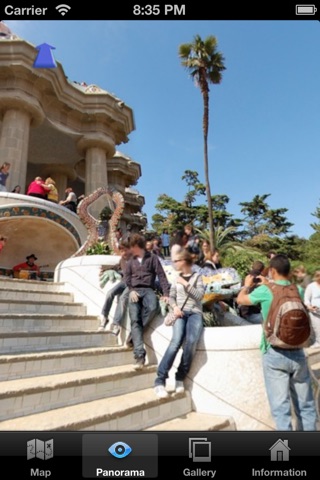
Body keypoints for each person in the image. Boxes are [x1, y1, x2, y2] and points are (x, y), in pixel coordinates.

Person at [236, 254, 317, 431]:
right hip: (297, 352)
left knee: (281, 410)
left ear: (272, 270)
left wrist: (247, 285)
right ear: (288, 271)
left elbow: (240, 300)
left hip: (274, 353)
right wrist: (269, 283)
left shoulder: (265, 291)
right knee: (306, 406)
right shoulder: (298, 290)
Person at [154, 249, 205, 398]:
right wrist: (175, 307)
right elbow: (171, 297)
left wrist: (185, 284)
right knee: (176, 341)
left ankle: (180, 377)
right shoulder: (176, 279)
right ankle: (160, 380)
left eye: (178, 261)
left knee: (191, 342)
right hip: (179, 313)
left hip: (195, 312)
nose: (175, 264)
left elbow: (200, 296)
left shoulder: (197, 277)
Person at [124, 233, 170, 370]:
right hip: (134, 290)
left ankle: (133, 335)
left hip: (148, 289)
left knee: (152, 308)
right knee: (135, 320)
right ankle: (139, 356)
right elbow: (127, 278)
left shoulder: (153, 258)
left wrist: (166, 293)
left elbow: (162, 276)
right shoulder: (130, 261)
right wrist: (131, 290)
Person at [98, 239, 131, 336]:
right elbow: (116, 268)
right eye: (121, 251)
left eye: (125, 250)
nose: (123, 253)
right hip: (124, 282)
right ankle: (105, 317)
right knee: (110, 293)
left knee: (122, 298)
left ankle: (116, 324)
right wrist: (104, 271)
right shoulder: (122, 260)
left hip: (133, 284)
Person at [238, 260, 265, 324]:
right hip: (251, 314)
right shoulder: (261, 280)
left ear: (252, 267)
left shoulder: (246, 278)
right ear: (262, 270)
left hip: (243, 311)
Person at [304, 270, 320, 348]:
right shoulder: (311, 286)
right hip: (314, 311)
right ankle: (317, 342)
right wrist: (309, 306)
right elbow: (306, 298)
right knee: (316, 327)